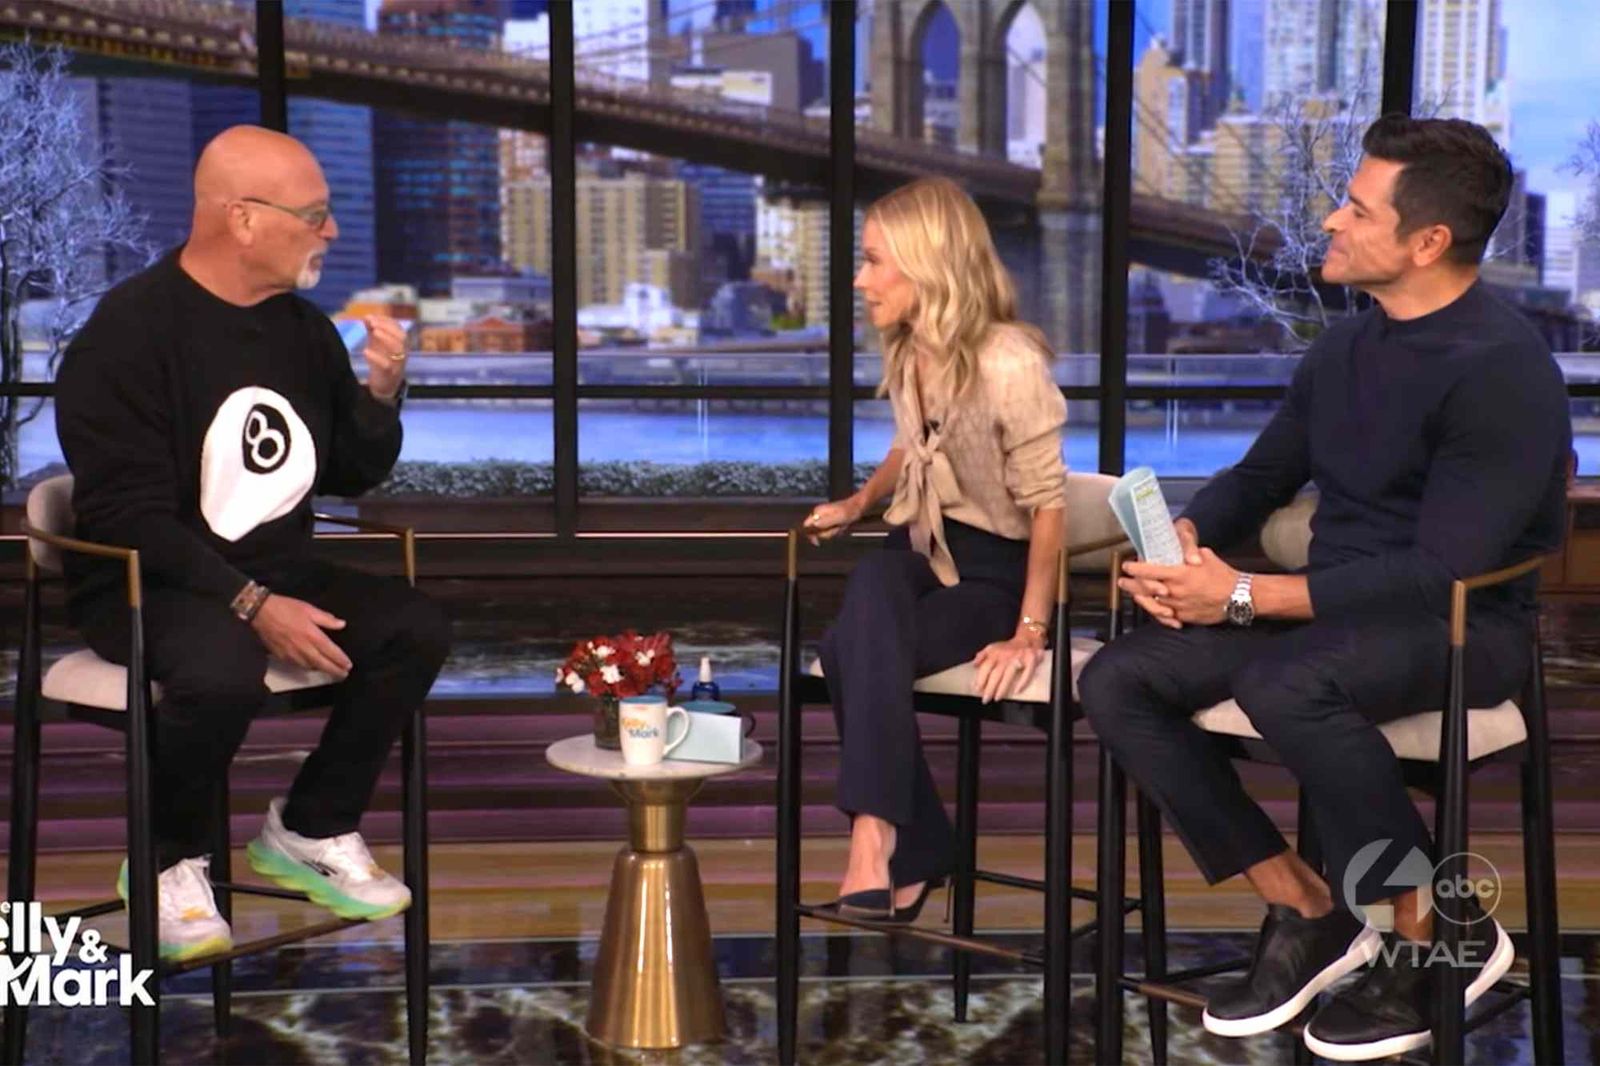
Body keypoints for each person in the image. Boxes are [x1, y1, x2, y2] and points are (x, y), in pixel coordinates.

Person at [1078, 115, 1570, 1061]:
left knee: (1284, 682)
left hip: (1462, 626)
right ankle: (1308, 908)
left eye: (1356, 207)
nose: (1331, 220)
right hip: (1335, 611)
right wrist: (1191, 539)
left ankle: (1438, 929)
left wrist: (1244, 598)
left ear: (1428, 242)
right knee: (1117, 678)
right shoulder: (1345, 349)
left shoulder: (1504, 371)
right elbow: (1261, 479)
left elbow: (1439, 570)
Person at [54, 126, 451, 962]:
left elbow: (350, 471)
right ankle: (166, 858)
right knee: (221, 666)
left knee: (413, 627)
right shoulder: (128, 333)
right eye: (313, 215)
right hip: (145, 582)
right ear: (241, 219)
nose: (330, 231)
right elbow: (128, 517)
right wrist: (252, 603)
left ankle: (311, 826)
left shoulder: (303, 331)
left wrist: (383, 391)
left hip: (273, 567)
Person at [802, 176, 1068, 922]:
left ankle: (890, 840)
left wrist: (1030, 630)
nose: (860, 280)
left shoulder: (1010, 361)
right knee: (874, 582)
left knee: (849, 647)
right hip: (920, 545)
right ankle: (884, 835)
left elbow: (1048, 506)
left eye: (872, 261)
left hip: (994, 572)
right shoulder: (909, 348)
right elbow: (910, 444)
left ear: (926, 264)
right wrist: (860, 503)